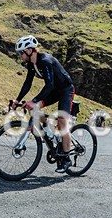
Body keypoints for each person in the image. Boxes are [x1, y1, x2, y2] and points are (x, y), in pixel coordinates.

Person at [12, 35, 75, 173]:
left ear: (29, 51)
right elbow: (27, 83)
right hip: (53, 91)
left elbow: (50, 85)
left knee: (63, 123)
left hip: (65, 90)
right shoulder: (31, 64)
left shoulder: (45, 61)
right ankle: (49, 125)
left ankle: (66, 159)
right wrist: (17, 99)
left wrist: (34, 101)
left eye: (20, 53)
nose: (19, 56)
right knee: (33, 111)